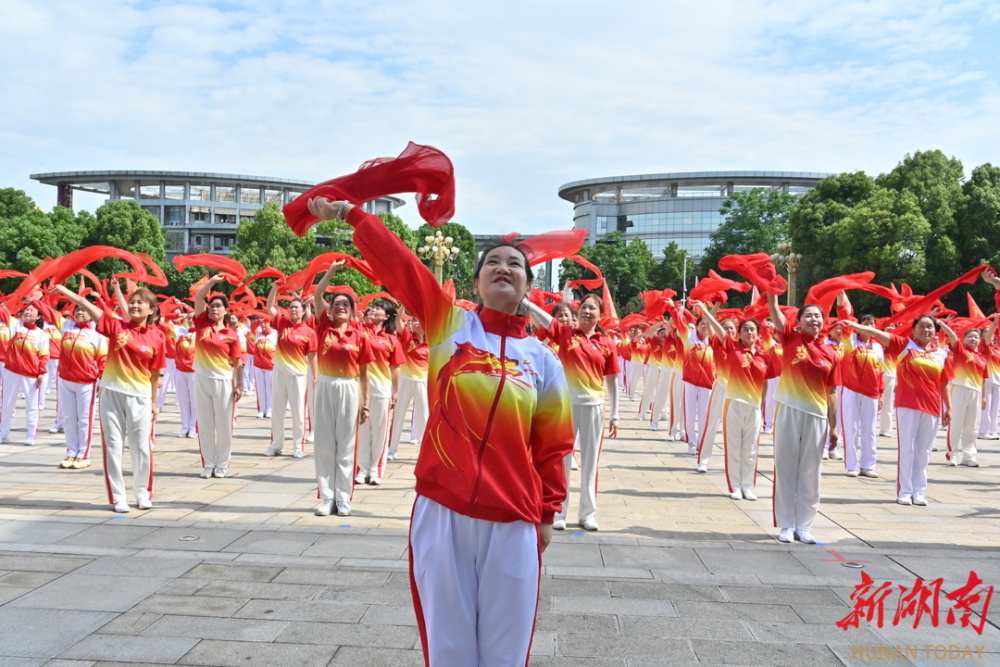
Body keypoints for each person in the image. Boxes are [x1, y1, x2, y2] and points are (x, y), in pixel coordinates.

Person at [307, 196, 574, 667]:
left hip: (514, 518)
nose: (503, 267)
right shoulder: (450, 325)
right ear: (477, 281)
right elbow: (401, 266)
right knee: (448, 649)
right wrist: (355, 216)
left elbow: (553, 447)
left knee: (505, 653)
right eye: (492, 261)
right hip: (443, 509)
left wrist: (548, 514)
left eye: (515, 264)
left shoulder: (544, 361)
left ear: (528, 286)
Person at [55, 282, 165, 513]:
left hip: (140, 397)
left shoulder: (157, 337)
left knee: (141, 448)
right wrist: (62, 289)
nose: (134, 305)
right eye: (132, 302)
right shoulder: (116, 326)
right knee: (113, 446)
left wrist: (154, 403)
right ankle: (118, 497)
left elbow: (156, 375)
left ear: (152, 310)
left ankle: (142, 492)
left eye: (140, 303)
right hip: (112, 394)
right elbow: (85, 303)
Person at [526, 293, 619, 531]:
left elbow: (612, 381)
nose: (587, 312)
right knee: (562, 461)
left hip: (594, 406)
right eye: (584, 308)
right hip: (565, 406)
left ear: (600, 315)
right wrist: (525, 301)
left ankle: (588, 513)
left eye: (592, 309)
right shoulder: (567, 334)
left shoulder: (606, 343)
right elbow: (544, 319)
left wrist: (615, 414)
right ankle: (559, 512)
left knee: (590, 463)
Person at [842, 315, 954, 506]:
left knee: (924, 451)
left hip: (932, 406)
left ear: (936, 332)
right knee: (907, 449)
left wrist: (949, 408)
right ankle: (904, 490)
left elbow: (945, 383)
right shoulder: (904, 345)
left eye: (930, 327)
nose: (926, 330)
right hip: (907, 405)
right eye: (921, 326)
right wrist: (855, 325)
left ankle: (919, 491)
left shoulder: (941, 354)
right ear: (913, 330)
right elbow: (877, 333)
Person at [766, 293, 839, 544]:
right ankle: (786, 525)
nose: (814, 319)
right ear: (798, 321)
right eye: (808, 315)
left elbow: (832, 391)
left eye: (818, 316)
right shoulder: (790, 338)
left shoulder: (831, 352)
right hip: (789, 408)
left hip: (817, 415)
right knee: (786, 467)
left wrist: (834, 426)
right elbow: (774, 310)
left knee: (811, 472)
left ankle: (804, 526)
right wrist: (770, 289)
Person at [312, 261, 373, 516]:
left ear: (352, 311)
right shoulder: (323, 327)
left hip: (349, 388)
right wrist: (332, 271)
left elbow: (364, 373)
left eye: (345, 305)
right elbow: (317, 295)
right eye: (336, 304)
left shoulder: (359, 336)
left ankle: (344, 498)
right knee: (325, 443)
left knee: (346, 445)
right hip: (325, 384)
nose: (340, 308)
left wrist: (366, 403)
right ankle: (327, 498)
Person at [693, 303, 772, 499]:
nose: (749, 333)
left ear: (758, 334)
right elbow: (718, 330)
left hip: (753, 405)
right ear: (739, 334)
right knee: (734, 445)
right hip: (732, 399)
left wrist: (762, 405)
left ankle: (748, 485)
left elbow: (766, 382)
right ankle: (735, 486)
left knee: (751, 448)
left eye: (752, 330)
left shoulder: (763, 355)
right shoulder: (732, 347)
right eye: (745, 329)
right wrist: (706, 310)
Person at [32, 296, 108, 469]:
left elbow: (103, 359)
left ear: (91, 314)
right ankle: (71, 452)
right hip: (65, 379)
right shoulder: (66, 326)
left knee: (84, 419)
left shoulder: (97, 333)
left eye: (84, 310)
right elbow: (48, 311)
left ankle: (84, 454)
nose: (80, 312)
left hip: (87, 381)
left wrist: (102, 380)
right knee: (68, 418)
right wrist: (35, 299)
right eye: (77, 310)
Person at [192, 276, 245, 478]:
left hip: (223, 381)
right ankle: (208, 464)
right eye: (212, 306)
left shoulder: (232, 334)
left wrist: (239, 385)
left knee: (224, 425)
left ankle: (222, 464)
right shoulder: (201, 324)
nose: (214, 309)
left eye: (218, 306)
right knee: (205, 424)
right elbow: (198, 298)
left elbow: (238, 362)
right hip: (202, 379)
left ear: (225, 310)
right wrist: (212, 282)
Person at [833, 295, 885, 478]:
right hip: (851, 389)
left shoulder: (878, 348)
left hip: (871, 393)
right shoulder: (850, 340)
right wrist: (841, 295)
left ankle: (868, 465)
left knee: (870, 430)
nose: (870, 327)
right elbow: (844, 317)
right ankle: (852, 466)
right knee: (851, 427)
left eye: (873, 324)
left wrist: (881, 394)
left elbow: (881, 372)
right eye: (866, 323)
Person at [355, 299, 404, 484]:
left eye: (379, 309)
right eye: (373, 307)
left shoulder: (391, 339)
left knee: (380, 431)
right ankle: (362, 469)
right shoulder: (360, 332)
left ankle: (375, 470)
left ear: (387, 316)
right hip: (361, 389)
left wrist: (396, 391)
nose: (374, 310)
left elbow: (396, 367)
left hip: (383, 388)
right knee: (363, 429)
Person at [264, 287, 317, 458]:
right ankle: (276, 445)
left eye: (296, 307)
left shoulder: (309, 332)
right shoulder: (282, 323)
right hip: (279, 371)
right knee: (277, 410)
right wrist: (274, 287)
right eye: (291, 307)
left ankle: (298, 446)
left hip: (299, 375)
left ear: (303, 311)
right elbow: (269, 306)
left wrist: (315, 376)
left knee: (298, 412)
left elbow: (312, 356)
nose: (293, 310)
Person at [0, 301, 51, 446]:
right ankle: (3, 434)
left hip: (30, 373)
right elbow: (2, 311)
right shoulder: (15, 325)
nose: (27, 312)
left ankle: (30, 435)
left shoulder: (41, 335)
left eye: (31, 311)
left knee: (32, 405)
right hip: (11, 370)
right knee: (7, 403)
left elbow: (44, 355)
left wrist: (41, 372)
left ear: (38, 316)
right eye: (26, 310)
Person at [944, 325, 987, 467]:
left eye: (976, 337)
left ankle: (969, 456)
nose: (973, 339)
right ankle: (952, 455)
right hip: (960, 388)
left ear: (980, 340)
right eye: (970, 336)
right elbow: (951, 335)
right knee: (955, 423)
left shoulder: (982, 358)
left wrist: (984, 397)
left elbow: (983, 379)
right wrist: (941, 323)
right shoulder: (960, 350)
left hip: (976, 391)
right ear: (963, 339)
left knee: (972, 426)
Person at [388, 313, 429, 460]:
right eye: (414, 320)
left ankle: (425, 451)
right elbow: (398, 320)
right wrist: (403, 303)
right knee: (399, 415)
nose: (416, 323)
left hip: (423, 382)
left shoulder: (431, 342)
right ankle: (392, 450)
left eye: (420, 320)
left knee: (424, 417)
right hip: (406, 380)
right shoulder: (407, 337)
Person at [250, 318, 277, 419]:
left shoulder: (275, 335)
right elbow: (252, 327)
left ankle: (269, 409)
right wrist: (258, 320)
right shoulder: (257, 335)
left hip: (270, 365)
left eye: (266, 323)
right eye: (262, 323)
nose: (263, 325)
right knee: (260, 388)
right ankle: (262, 410)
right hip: (258, 365)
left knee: (269, 389)